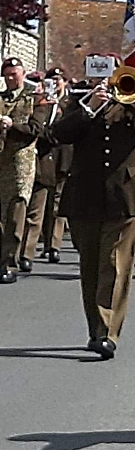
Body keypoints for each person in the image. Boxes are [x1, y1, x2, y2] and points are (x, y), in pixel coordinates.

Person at [48, 59, 135, 359]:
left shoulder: (132, 104)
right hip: (84, 196)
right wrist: (89, 106)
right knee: (90, 266)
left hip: (124, 196)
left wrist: (130, 95)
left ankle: (107, 332)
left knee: (114, 264)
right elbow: (58, 134)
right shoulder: (78, 102)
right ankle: (95, 328)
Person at [0, 58, 43, 284]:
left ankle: (10, 263)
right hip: (0, 164)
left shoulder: (33, 99)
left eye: (14, 74)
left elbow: (35, 129)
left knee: (15, 217)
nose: (10, 78)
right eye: (7, 74)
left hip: (20, 167)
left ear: (22, 74)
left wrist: (11, 125)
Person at [18, 72, 61, 273]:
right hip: (17, 165)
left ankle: (26, 254)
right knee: (16, 212)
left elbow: (54, 135)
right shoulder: (18, 103)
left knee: (36, 213)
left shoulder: (53, 108)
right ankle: (13, 252)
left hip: (43, 163)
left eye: (38, 85)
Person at [41, 66, 72, 263]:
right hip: (45, 156)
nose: (56, 83)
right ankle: (45, 242)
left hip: (64, 157)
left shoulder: (72, 102)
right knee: (44, 203)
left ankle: (54, 245)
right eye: (52, 80)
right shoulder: (43, 101)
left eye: (59, 80)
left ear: (65, 82)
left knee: (57, 204)